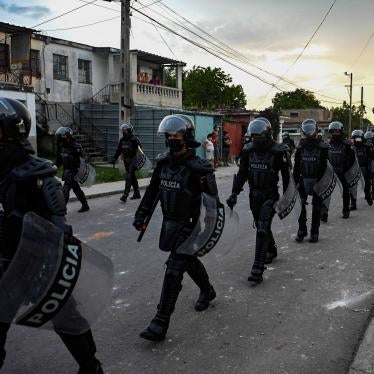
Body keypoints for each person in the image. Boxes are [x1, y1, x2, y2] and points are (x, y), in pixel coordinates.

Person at [0, 97, 103, 373]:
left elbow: (58, 229)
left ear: (10, 133)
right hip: (4, 266)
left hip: (36, 265)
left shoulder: (39, 176)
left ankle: (91, 367)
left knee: (66, 316)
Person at [133, 114, 218, 341]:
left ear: (187, 138)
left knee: (174, 269)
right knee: (188, 262)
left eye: (177, 135)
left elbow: (213, 204)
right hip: (169, 224)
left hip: (190, 227)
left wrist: (210, 231)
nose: (172, 139)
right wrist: (141, 214)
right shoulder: (163, 164)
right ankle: (208, 290)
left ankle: (160, 322)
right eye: (169, 135)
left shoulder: (199, 169)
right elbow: (152, 193)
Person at [226, 118, 290, 283]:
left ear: (267, 134)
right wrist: (234, 193)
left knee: (262, 227)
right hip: (254, 195)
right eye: (253, 136)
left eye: (258, 136)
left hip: (270, 195)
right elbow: (242, 174)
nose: (256, 139)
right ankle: (271, 249)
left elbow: (286, 177)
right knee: (261, 225)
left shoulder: (278, 151)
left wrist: (287, 197)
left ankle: (257, 268)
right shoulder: (248, 151)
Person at [293, 119, 329, 243]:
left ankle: (315, 232)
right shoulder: (300, 147)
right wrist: (294, 181)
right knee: (300, 205)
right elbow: (297, 166)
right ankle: (302, 230)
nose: (309, 133)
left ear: (316, 130)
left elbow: (326, 167)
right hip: (303, 179)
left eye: (311, 130)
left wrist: (323, 183)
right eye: (307, 130)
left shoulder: (323, 147)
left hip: (318, 180)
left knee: (316, 207)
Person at [321, 121, 355, 221]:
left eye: (337, 131)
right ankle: (324, 212)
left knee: (345, 191)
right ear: (331, 132)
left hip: (343, 171)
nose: (335, 133)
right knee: (325, 192)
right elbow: (323, 159)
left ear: (341, 131)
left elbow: (352, 159)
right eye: (333, 131)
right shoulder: (327, 145)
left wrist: (349, 171)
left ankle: (346, 210)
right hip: (330, 171)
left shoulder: (347, 145)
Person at [55, 127, 89, 213]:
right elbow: (60, 159)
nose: (59, 137)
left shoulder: (74, 146)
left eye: (61, 135)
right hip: (66, 171)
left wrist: (80, 153)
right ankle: (85, 205)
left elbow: (83, 158)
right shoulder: (61, 146)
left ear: (66, 135)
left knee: (65, 189)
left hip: (73, 170)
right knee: (76, 189)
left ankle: (61, 210)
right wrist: (55, 166)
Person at [111, 123, 141, 203]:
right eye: (123, 130)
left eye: (125, 130)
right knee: (132, 177)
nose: (124, 132)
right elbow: (119, 150)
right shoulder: (122, 140)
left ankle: (125, 195)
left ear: (129, 130)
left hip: (133, 160)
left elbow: (140, 150)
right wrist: (114, 158)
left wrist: (138, 161)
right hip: (126, 161)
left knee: (129, 176)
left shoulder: (134, 139)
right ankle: (137, 194)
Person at [350, 129, 373, 209]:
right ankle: (353, 203)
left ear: (362, 138)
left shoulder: (367, 146)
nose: (357, 140)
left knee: (367, 184)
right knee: (353, 186)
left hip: (365, 168)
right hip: (354, 169)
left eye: (359, 138)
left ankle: (368, 195)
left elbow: (372, 156)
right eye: (355, 138)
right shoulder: (351, 147)